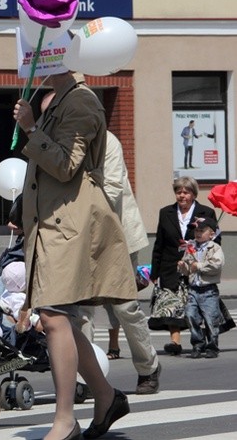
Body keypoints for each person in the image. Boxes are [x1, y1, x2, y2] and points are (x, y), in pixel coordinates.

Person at [13, 70, 137, 440]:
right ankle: (105, 395)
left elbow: (66, 165)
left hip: (68, 225)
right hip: (51, 225)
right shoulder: (60, 99)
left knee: (52, 316)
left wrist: (32, 130)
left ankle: (65, 418)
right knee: (57, 318)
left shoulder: (80, 100)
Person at [74, 129, 163, 395]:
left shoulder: (106, 141)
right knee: (81, 311)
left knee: (125, 307)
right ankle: (86, 377)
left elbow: (111, 189)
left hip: (116, 235)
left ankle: (148, 367)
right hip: (78, 239)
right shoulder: (59, 140)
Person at [149, 176, 218, 356]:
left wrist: (203, 258)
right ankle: (175, 342)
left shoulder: (206, 212)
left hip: (195, 265)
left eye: (186, 192)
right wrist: (154, 270)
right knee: (172, 303)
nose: (182, 196)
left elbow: (216, 240)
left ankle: (203, 341)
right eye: (178, 192)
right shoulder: (166, 212)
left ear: (193, 194)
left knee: (197, 305)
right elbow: (160, 242)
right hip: (170, 265)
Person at [178, 216, 224, 359]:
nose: (197, 233)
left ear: (211, 234)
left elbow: (216, 265)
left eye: (202, 230)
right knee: (190, 315)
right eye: (196, 230)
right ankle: (198, 344)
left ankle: (212, 346)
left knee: (211, 319)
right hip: (193, 289)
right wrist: (183, 267)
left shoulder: (214, 248)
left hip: (208, 290)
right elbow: (187, 269)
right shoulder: (190, 247)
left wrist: (198, 266)